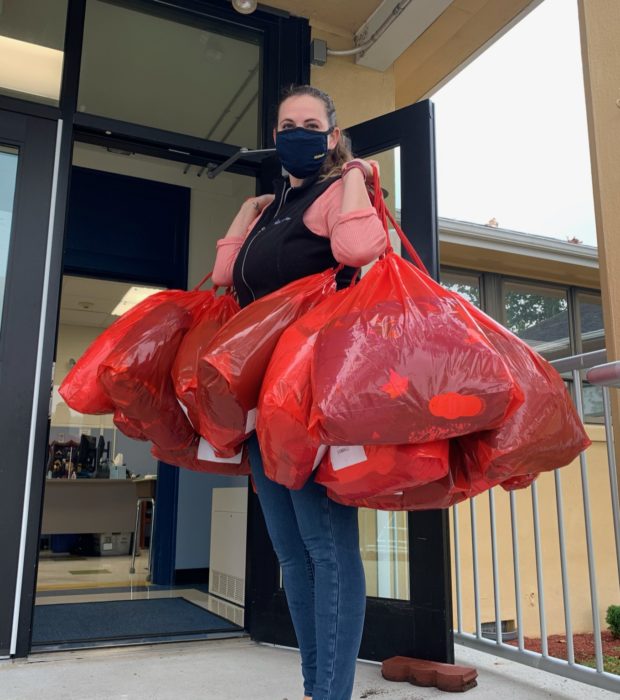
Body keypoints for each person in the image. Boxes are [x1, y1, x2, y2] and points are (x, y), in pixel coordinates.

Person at [212, 85, 386, 700]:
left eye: (311, 124)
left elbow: (361, 249)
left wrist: (355, 176)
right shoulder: (273, 209)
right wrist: (245, 213)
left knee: (327, 549)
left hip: (313, 395)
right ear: (275, 135)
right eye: (288, 124)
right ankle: (317, 687)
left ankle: (331, 692)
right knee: (292, 554)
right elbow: (226, 276)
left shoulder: (335, 192)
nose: (298, 133)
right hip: (263, 400)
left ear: (332, 136)